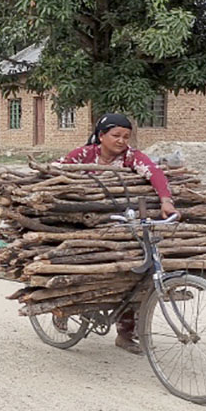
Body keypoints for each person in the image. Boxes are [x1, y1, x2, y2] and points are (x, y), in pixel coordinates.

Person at [54, 113, 179, 355]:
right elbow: (55, 173)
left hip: (117, 222)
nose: (121, 141)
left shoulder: (131, 157)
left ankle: (125, 333)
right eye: (115, 136)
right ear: (101, 136)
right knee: (75, 263)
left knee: (131, 272)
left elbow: (154, 173)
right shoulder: (83, 155)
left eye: (126, 136)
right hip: (83, 220)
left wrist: (166, 200)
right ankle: (63, 309)